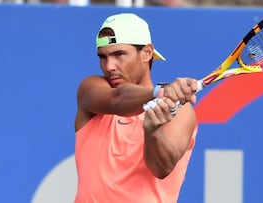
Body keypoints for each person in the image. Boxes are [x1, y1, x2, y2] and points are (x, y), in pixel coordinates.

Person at [74, 13, 198, 203]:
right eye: (103, 57)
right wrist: (160, 92)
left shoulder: (180, 110)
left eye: (119, 55)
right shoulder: (90, 89)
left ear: (147, 53)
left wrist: (152, 131)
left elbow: (161, 168)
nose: (109, 66)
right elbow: (117, 99)